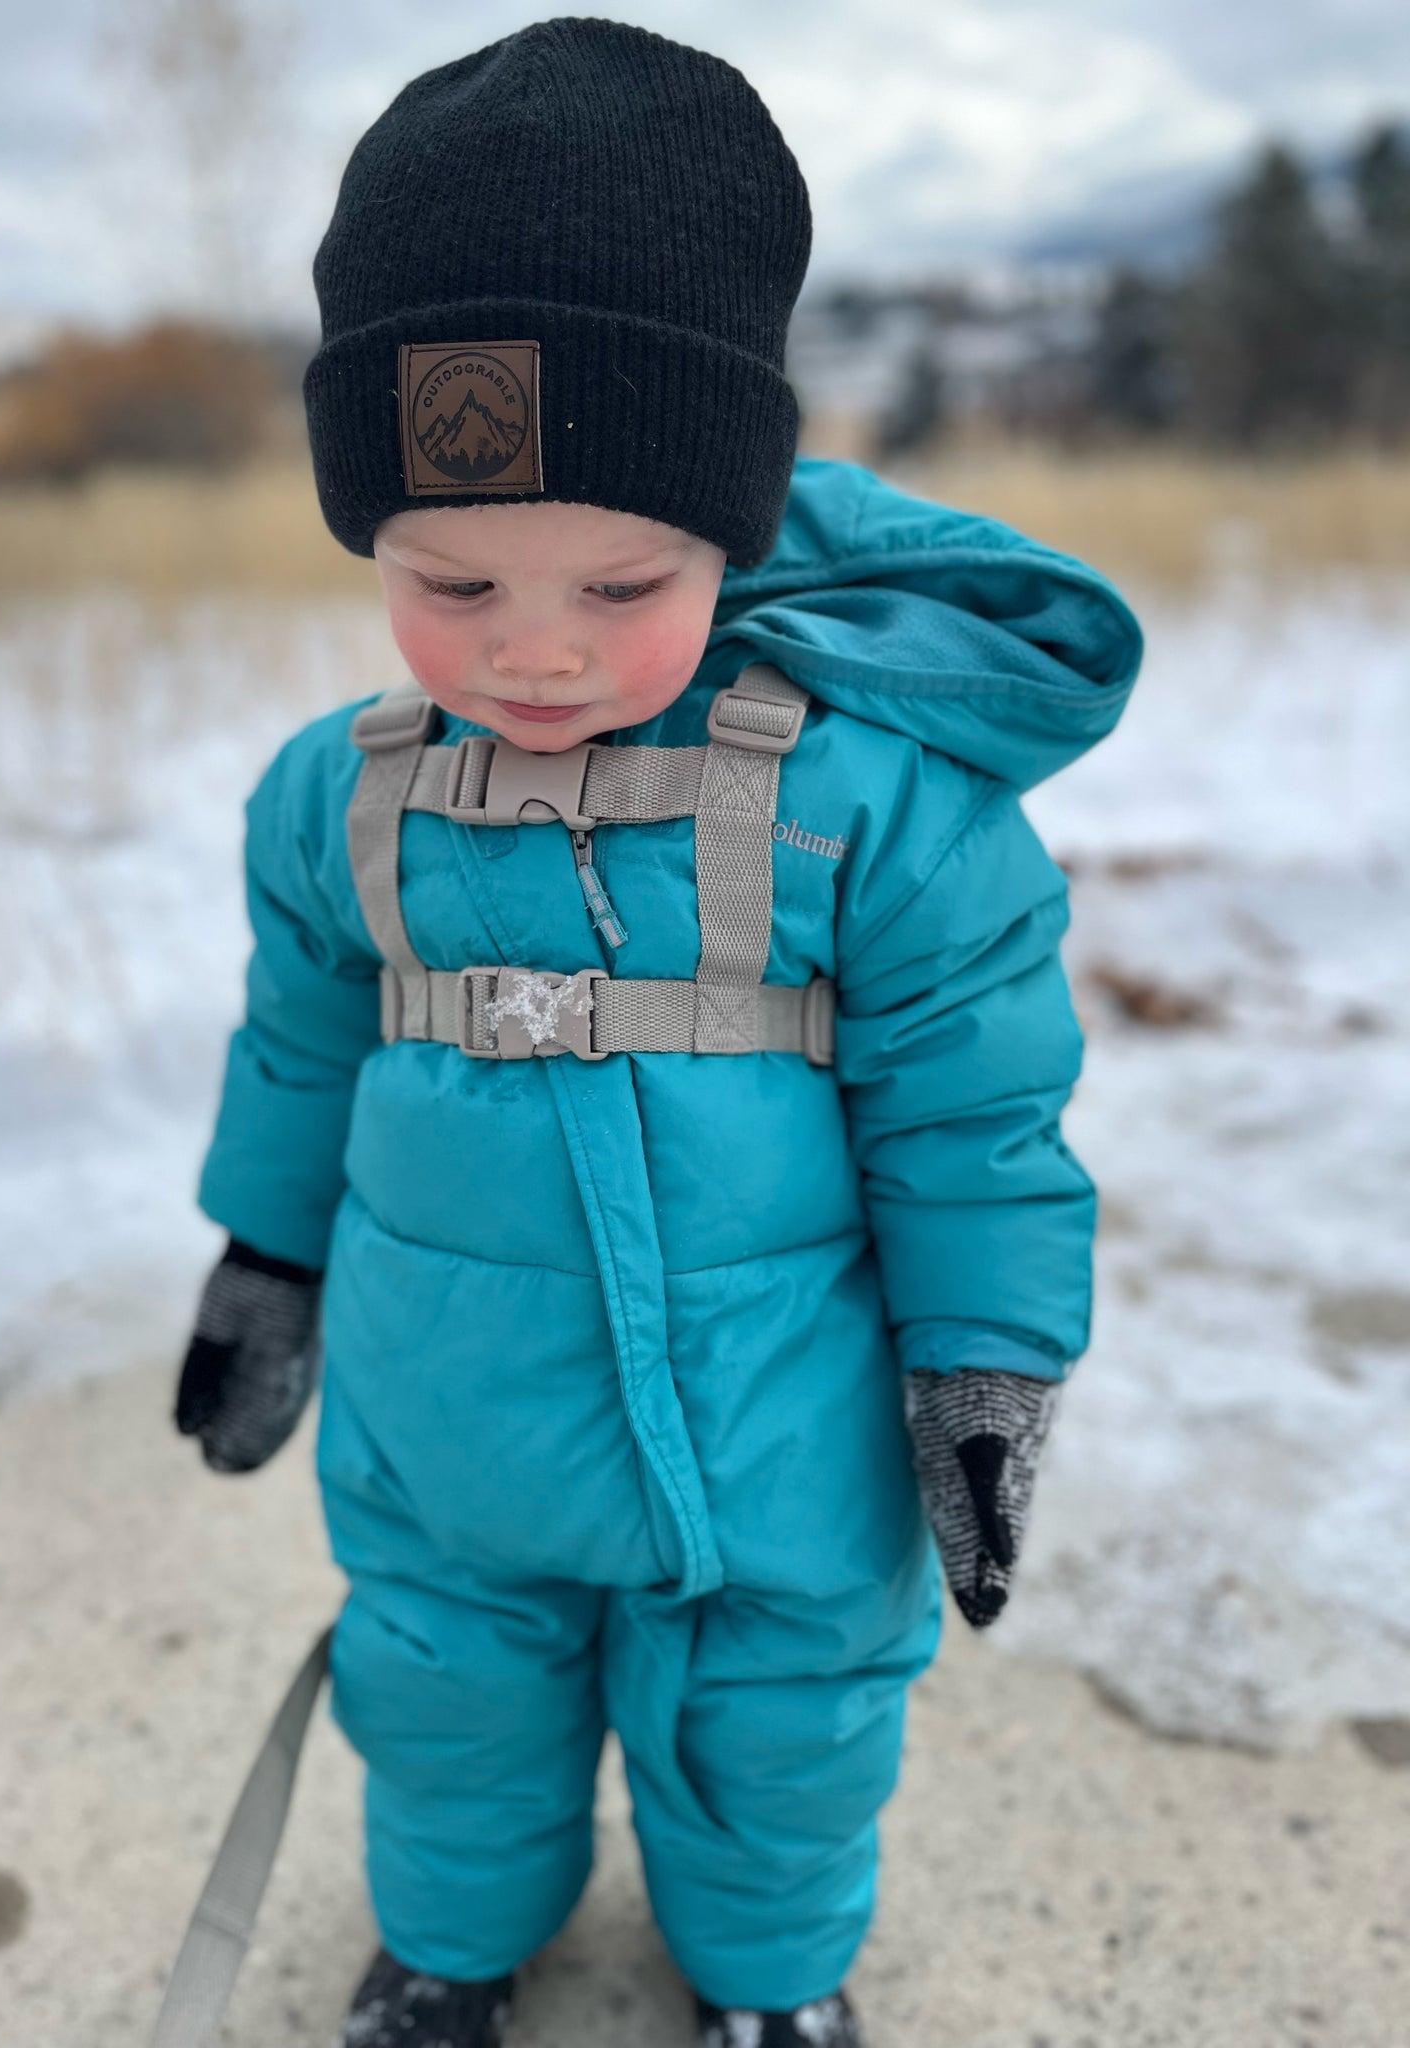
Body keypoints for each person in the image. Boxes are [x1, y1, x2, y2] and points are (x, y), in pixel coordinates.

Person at [173, 19, 1142, 2048]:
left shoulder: (871, 799)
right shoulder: (341, 795)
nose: (534, 649)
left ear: (735, 527)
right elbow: (298, 1040)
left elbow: (975, 1111)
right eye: (452, 580)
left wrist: (985, 1362)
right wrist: (269, 1258)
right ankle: (450, 1944)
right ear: (373, 539)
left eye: (622, 581)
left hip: (776, 1435)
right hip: (453, 1428)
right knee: (444, 1695)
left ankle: (772, 1987)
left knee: (782, 1733)